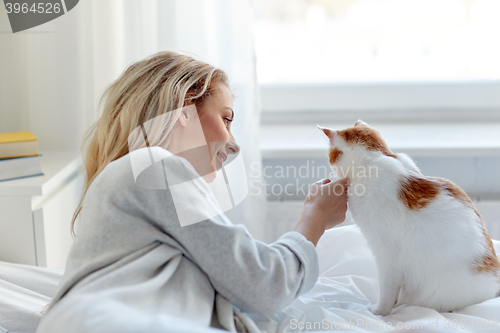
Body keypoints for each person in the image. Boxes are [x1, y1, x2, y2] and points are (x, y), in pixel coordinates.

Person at [36, 51, 349, 333]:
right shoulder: (152, 166)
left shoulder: (131, 183)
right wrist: (315, 218)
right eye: (225, 118)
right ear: (183, 110)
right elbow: (265, 285)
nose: (233, 143)